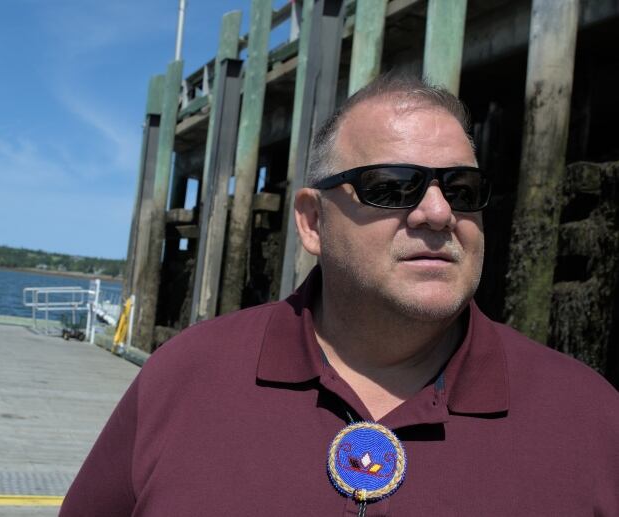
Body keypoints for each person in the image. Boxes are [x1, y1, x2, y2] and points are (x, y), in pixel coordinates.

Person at [60, 75, 619, 516]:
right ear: (311, 221)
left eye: (462, 189)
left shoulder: (588, 417)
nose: (438, 212)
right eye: (389, 187)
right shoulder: (183, 377)